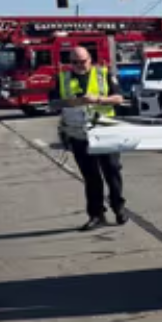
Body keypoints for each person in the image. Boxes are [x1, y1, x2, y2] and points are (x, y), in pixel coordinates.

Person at [49, 47, 127, 231]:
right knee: (91, 177)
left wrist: (98, 99)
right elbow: (53, 104)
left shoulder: (103, 74)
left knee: (112, 171)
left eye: (82, 61)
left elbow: (119, 98)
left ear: (90, 59)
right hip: (78, 133)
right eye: (74, 62)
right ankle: (96, 214)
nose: (79, 65)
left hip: (104, 131)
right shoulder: (63, 78)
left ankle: (118, 207)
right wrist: (75, 102)